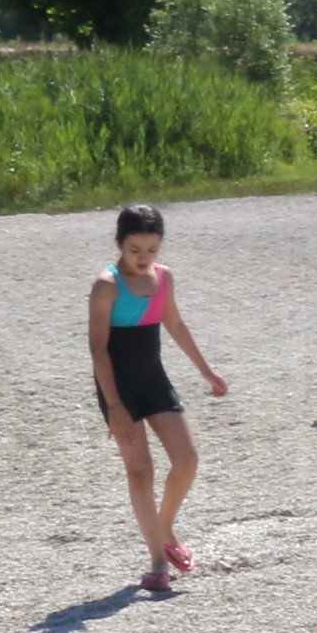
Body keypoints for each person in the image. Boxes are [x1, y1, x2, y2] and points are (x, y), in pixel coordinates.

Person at [89, 205, 227, 593]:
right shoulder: (106, 285)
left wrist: (206, 371)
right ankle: (156, 559)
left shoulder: (164, 278)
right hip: (118, 388)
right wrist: (114, 407)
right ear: (120, 244)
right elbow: (98, 350)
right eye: (135, 249)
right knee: (141, 471)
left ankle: (165, 525)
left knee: (187, 458)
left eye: (151, 249)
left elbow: (176, 325)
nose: (144, 258)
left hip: (154, 381)